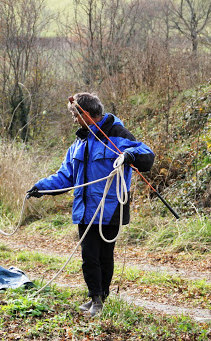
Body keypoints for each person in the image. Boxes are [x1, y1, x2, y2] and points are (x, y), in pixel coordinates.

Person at [27, 92, 155, 317]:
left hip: (111, 208)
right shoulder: (79, 143)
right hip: (86, 210)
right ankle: (95, 297)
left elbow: (147, 155)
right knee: (89, 256)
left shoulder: (116, 133)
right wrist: (41, 187)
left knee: (105, 255)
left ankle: (101, 298)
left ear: (86, 113)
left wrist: (129, 156)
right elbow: (65, 176)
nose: (74, 120)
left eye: (75, 115)